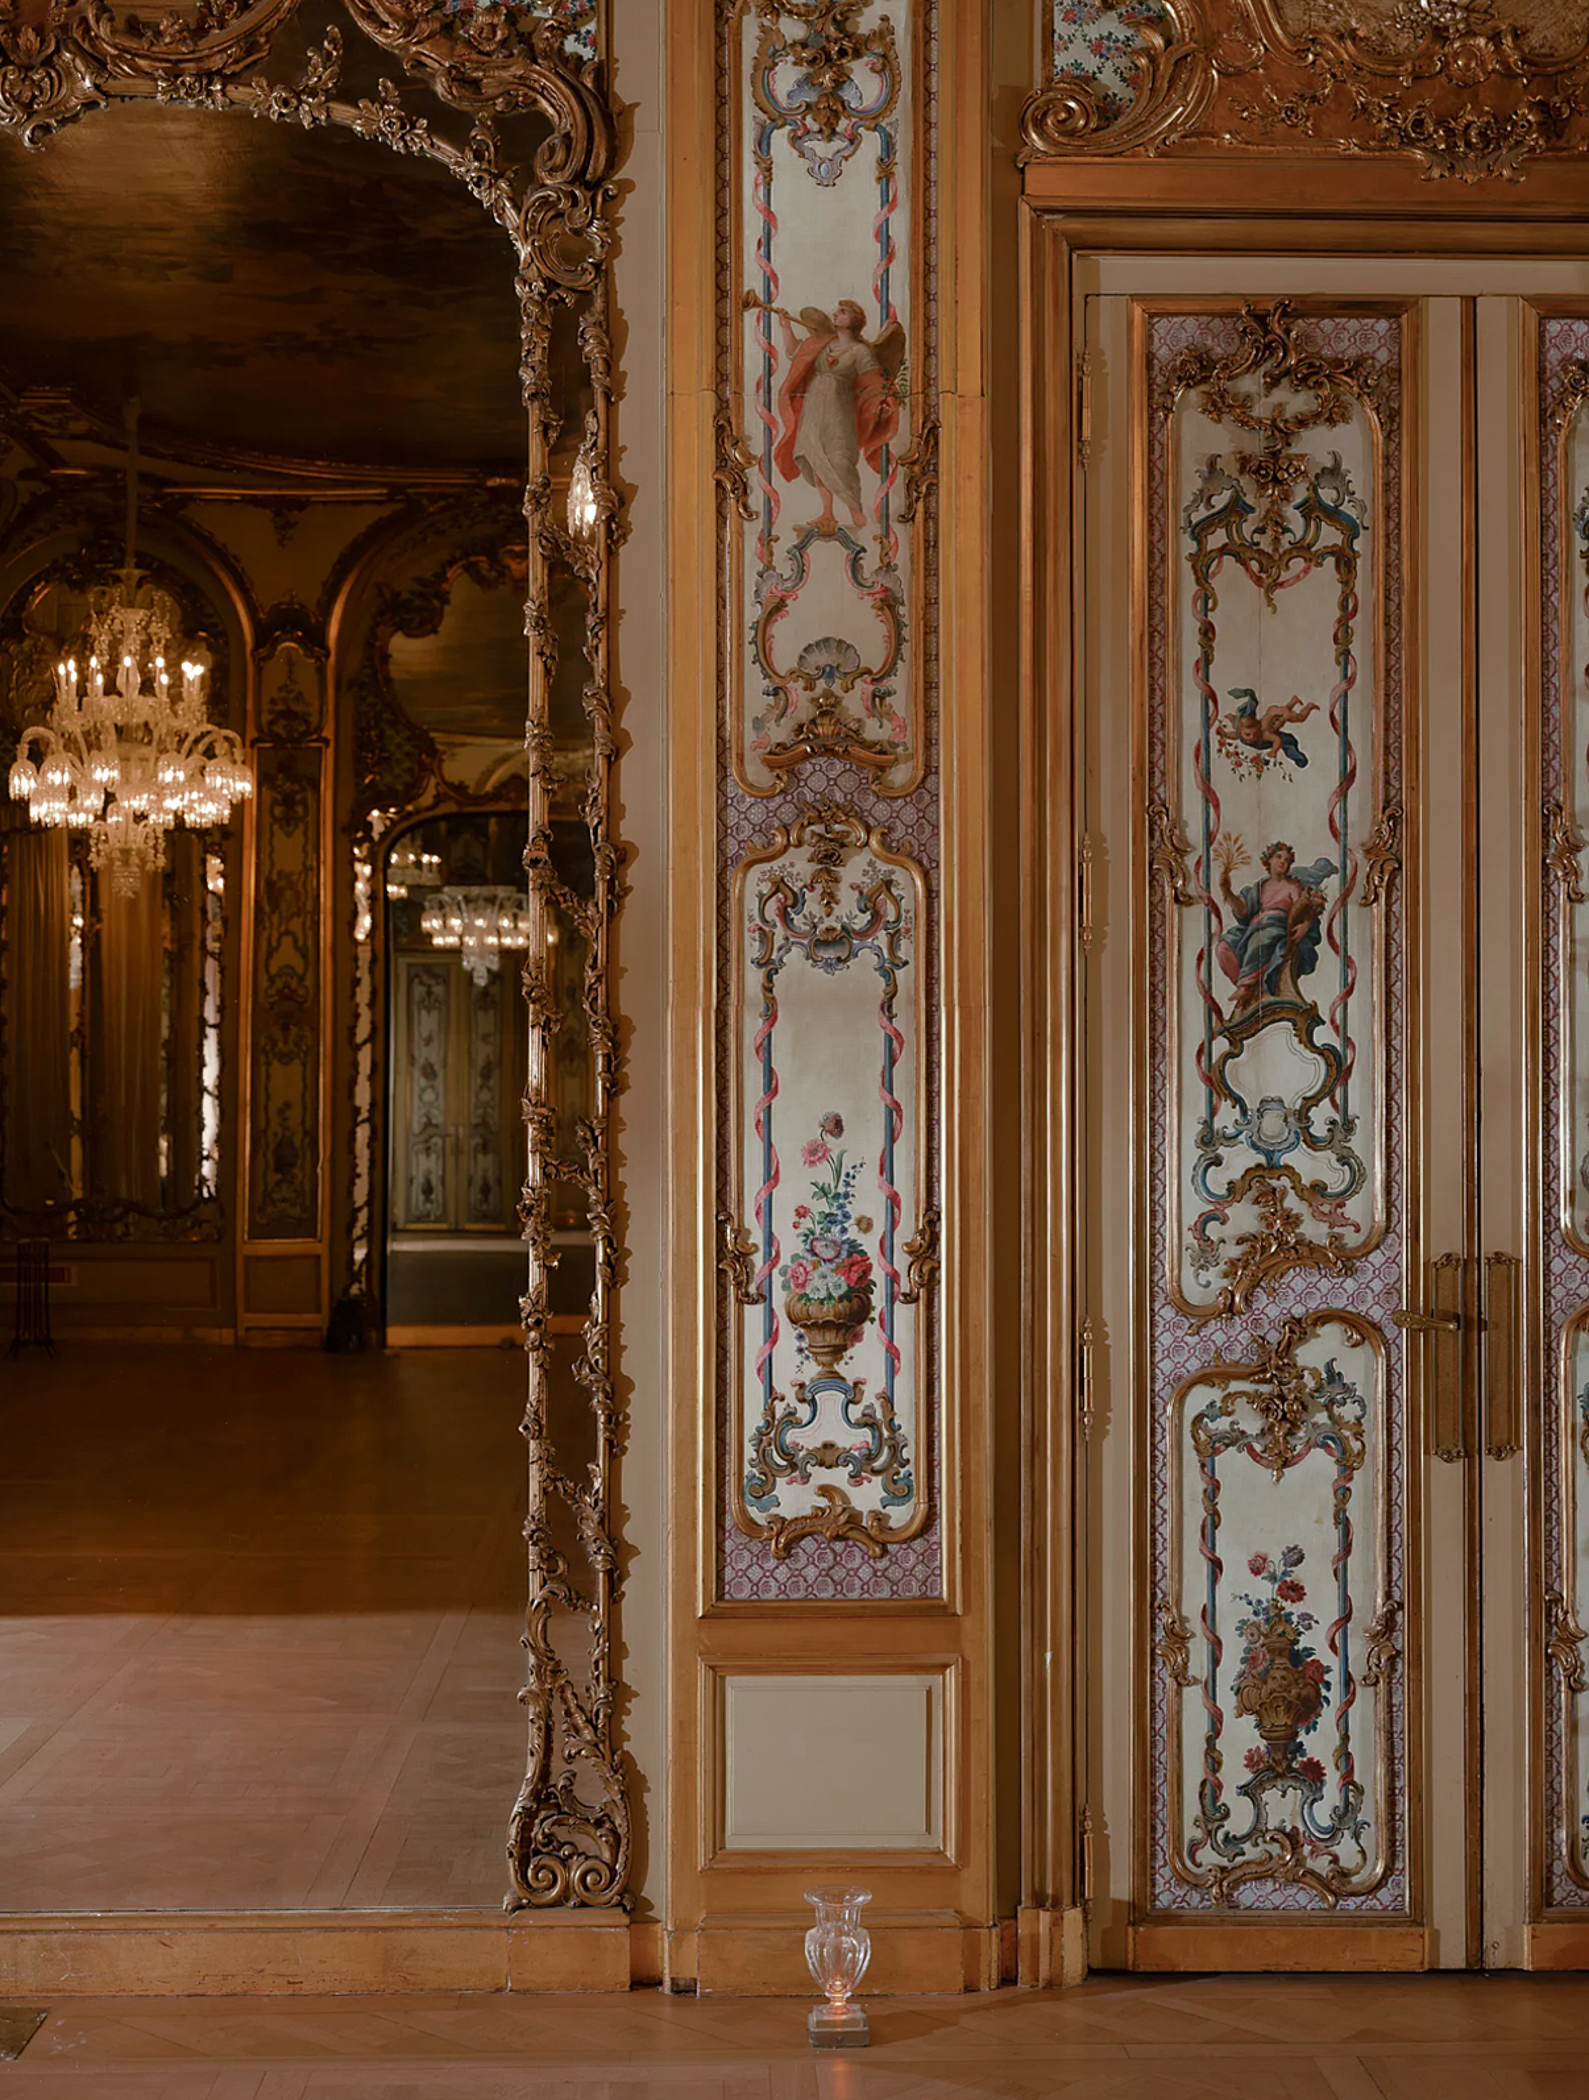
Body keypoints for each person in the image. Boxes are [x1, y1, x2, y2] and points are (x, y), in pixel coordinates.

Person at [772, 299, 905, 531]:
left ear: (854, 321)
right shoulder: (822, 344)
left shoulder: (861, 351)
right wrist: (785, 326)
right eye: (835, 311)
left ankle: (854, 505)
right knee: (813, 455)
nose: (835, 314)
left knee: (840, 456)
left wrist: (882, 402)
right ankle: (827, 513)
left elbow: (873, 381)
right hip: (813, 407)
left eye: (842, 312)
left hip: (840, 408)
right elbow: (796, 353)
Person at [1216, 840, 1336, 1016]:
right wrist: (1227, 891)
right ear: (1268, 861)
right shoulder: (1259, 887)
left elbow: (1306, 908)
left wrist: (1305, 926)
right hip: (1253, 927)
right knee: (1223, 947)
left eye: (1287, 860)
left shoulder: (1292, 886)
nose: (1283, 862)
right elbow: (1243, 910)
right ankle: (1251, 988)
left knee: (1262, 938)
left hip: (1276, 926)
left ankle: (1245, 985)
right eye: (1278, 857)